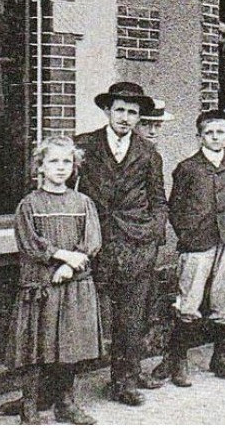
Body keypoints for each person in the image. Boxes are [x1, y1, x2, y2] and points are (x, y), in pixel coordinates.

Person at [72, 82, 167, 406]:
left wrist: (152, 238)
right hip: (93, 243)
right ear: (108, 111)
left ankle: (124, 381)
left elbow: (158, 201)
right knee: (79, 316)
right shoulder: (83, 146)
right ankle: (60, 390)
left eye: (133, 112)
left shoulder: (148, 153)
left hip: (135, 245)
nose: (126, 118)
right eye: (121, 110)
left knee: (131, 319)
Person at [9, 136, 103, 424]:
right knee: (35, 345)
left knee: (69, 346)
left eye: (67, 162)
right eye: (53, 161)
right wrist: (61, 257)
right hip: (41, 285)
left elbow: (92, 240)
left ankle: (65, 402)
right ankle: (30, 403)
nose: (61, 168)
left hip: (73, 285)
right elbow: (28, 242)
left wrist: (71, 267)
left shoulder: (83, 202)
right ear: (40, 166)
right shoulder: (29, 204)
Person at [158, 110, 225, 388]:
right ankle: (178, 361)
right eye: (209, 133)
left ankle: (221, 359)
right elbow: (175, 207)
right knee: (189, 301)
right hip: (198, 242)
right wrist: (187, 234)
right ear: (199, 137)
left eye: (221, 132)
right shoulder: (188, 167)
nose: (215, 137)